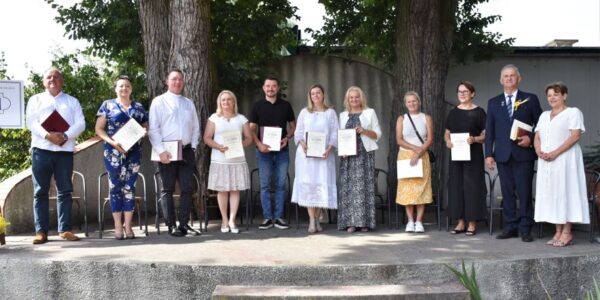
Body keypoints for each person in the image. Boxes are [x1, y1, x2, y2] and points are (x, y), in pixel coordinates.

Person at [26, 67, 85, 244]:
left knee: (65, 190)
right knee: (40, 191)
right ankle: (41, 232)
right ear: (43, 81)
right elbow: (31, 122)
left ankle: (65, 229)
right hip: (41, 150)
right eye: (49, 77)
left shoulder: (72, 101)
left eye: (56, 77)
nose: (52, 79)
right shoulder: (35, 99)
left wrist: (65, 136)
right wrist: (48, 136)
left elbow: (80, 123)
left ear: (62, 80)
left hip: (64, 152)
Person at [485, 64, 542, 242]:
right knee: (507, 192)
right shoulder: (493, 102)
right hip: (502, 155)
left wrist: (531, 139)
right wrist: (488, 154)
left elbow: (542, 126)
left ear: (519, 78)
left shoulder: (530, 99)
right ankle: (510, 226)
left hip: (523, 155)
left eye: (512, 76)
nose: (509, 78)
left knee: (524, 192)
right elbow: (490, 131)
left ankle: (526, 227)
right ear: (501, 80)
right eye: (506, 76)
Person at [534, 82, 589, 247]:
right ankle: (557, 231)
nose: (552, 98)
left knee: (566, 191)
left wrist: (555, 153)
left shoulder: (573, 112)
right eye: (549, 95)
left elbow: (575, 136)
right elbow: (537, 136)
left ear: (564, 96)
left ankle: (567, 232)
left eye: (556, 94)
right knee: (553, 194)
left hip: (565, 159)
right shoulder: (544, 115)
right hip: (547, 161)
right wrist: (538, 150)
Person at [148, 69, 201, 237]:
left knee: (187, 188)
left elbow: (196, 128)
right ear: (167, 81)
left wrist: (192, 147)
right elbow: (153, 129)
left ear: (183, 82)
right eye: (174, 79)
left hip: (185, 151)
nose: (177, 82)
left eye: (180, 79)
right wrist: (161, 151)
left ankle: (184, 225)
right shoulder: (158, 102)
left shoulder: (188, 103)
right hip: (166, 152)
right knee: (167, 189)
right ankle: (171, 225)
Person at [95, 75, 149, 240]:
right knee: (115, 188)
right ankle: (118, 226)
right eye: (121, 86)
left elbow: (145, 125)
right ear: (116, 89)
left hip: (133, 152)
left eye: (127, 86)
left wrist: (144, 130)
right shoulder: (108, 105)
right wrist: (112, 142)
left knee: (130, 188)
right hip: (113, 152)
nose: (124, 88)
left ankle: (128, 226)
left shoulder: (139, 107)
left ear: (131, 89)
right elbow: (99, 129)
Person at [249, 76, 296, 230]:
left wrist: (287, 138)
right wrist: (259, 144)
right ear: (263, 88)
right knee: (265, 185)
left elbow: (294, 126)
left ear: (278, 88)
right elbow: (251, 130)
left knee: (281, 185)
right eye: (267, 86)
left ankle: (279, 217)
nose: (270, 88)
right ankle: (268, 217)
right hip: (263, 152)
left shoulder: (286, 105)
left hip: (282, 151)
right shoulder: (257, 106)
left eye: (273, 86)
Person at [203, 90, 253, 234]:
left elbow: (249, 138)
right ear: (220, 102)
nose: (226, 102)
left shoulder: (241, 119)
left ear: (234, 102)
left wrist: (239, 145)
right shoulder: (214, 118)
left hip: (237, 159)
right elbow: (207, 138)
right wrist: (218, 146)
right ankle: (224, 220)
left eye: (229, 100)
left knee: (235, 190)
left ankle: (232, 220)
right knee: (222, 190)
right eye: (223, 100)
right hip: (220, 160)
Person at [292, 84, 339, 233]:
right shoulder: (304, 112)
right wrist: (303, 144)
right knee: (309, 186)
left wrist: (329, 148)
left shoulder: (330, 113)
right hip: (306, 156)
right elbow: (298, 132)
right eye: (313, 94)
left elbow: (335, 133)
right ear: (310, 96)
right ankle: (312, 220)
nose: (315, 96)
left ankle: (318, 218)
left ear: (323, 95)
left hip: (324, 155)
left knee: (320, 186)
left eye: (318, 93)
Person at [444, 81, 487, 236]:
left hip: (474, 156)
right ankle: (460, 222)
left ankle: (472, 223)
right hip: (456, 156)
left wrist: (475, 139)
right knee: (456, 187)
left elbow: (485, 135)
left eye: (465, 91)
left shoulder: (479, 112)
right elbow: (447, 132)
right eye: (460, 91)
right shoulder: (453, 113)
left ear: (472, 94)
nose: (462, 94)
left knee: (472, 188)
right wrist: (447, 141)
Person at [338, 86, 381, 233]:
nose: (354, 100)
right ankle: (350, 222)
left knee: (364, 188)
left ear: (361, 98)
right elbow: (340, 136)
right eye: (351, 97)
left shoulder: (370, 113)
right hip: (348, 157)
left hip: (365, 155)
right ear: (347, 99)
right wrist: (342, 151)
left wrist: (364, 130)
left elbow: (378, 134)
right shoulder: (343, 115)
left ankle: (364, 223)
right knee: (349, 189)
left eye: (356, 97)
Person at [395, 91, 433, 233]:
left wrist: (419, 152)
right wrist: (414, 149)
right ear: (405, 104)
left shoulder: (426, 117)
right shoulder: (402, 118)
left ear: (419, 102)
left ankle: (419, 221)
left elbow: (429, 139)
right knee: (407, 189)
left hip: (422, 156)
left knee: (421, 189)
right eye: (409, 101)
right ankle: (410, 221)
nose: (412, 104)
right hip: (405, 156)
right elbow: (399, 139)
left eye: (414, 101)